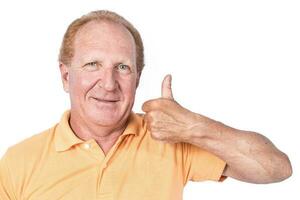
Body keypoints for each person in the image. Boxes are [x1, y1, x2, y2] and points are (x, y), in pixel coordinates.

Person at [0, 10, 292, 200]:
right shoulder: (19, 162)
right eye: (93, 64)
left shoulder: (170, 140)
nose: (109, 83)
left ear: (137, 79)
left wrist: (192, 127)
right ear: (66, 76)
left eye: (123, 68)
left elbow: (276, 168)